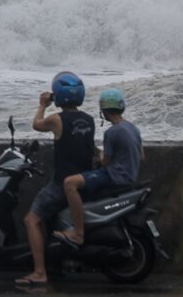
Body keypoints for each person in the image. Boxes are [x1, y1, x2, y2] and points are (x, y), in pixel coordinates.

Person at [16, 71, 95, 286]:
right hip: (85, 180)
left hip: (62, 184)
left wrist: (42, 103)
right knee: (50, 220)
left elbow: (36, 124)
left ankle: (40, 271)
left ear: (58, 95)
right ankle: (56, 262)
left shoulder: (56, 119)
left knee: (31, 220)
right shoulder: (88, 120)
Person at [54, 88, 144, 247]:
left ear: (103, 110)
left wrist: (99, 157)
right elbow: (141, 156)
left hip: (115, 176)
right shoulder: (133, 128)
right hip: (131, 176)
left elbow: (106, 163)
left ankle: (78, 234)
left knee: (70, 183)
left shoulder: (112, 132)